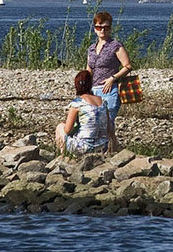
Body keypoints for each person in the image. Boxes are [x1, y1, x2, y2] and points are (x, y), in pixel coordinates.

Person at [86, 10, 133, 141]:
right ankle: (101, 152)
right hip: (93, 90)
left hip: (109, 90)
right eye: (99, 27)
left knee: (108, 125)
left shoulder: (115, 46)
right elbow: (89, 68)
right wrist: (85, 87)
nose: (102, 31)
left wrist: (113, 78)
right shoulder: (91, 48)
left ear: (110, 29)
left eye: (106, 28)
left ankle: (112, 152)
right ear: (95, 29)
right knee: (95, 123)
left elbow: (128, 66)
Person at [55, 70, 110, 155]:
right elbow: (109, 128)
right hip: (102, 146)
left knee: (60, 127)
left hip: (84, 147)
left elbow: (67, 130)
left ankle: (63, 155)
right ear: (90, 84)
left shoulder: (77, 103)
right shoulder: (103, 101)